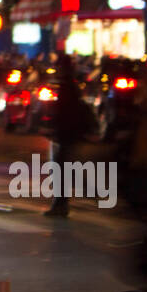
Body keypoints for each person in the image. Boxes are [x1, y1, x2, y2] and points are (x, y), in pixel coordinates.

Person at [45, 54, 93, 218]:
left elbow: (65, 114)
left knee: (61, 171)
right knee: (63, 170)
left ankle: (60, 205)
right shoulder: (70, 86)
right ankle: (60, 204)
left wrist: (56, 130)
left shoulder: (67, 87)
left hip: (67, 135)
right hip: (68, 134)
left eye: (58, 66)